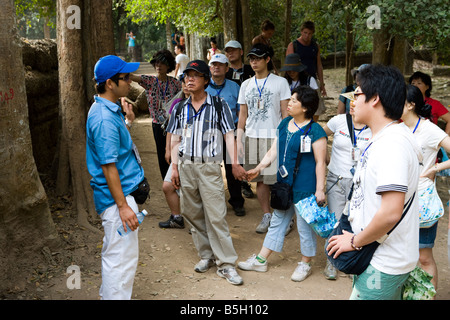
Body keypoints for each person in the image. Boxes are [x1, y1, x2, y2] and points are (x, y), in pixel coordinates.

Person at [326, 64, 422, 300]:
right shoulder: (385, 138)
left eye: (357, 93)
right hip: (377, 254)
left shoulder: (392, 145)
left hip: (384, 261)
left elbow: (390, 212)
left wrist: (355, 241)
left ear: (375, 98)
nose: (353, 101)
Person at [166, 60, 247, 285]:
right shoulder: (180, 108)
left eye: (195, 75)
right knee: (192, 213)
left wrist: (234, 163)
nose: (189, 80)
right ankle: (206, 255)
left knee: (216, 215)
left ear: (205, 80)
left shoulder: (218, 105)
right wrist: (174, 168)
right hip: (185, 166)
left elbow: (229, 136)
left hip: (209, 166)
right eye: (186, 76)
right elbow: (175, 139)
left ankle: (227, 264)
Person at [238, 86, 327, 282]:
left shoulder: (316, 131)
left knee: (304, 227)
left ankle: (305, 263)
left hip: (306, 188)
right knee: (277, 222)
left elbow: (321, 162)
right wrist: (259, 168)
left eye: (294, 101)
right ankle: (261, 260)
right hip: (284, 185)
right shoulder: (285, 123)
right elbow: (273, 150)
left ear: (305, 108)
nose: (289, 103)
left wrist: (320, 190)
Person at [86, 55, 144, 299]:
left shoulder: (110, 109)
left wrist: (128, 122)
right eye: (125, 77)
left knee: (118, 257)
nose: (130, 82)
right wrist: (123, 206)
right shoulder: (104, 117)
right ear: (110, 83)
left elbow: (116, 151)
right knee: (121, 262)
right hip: (116, 200)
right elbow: (109, 166)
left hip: (121, 196)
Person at [237, 43, 291, 233]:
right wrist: (239, 139)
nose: (254, 62)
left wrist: (286, 135)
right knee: (259, 179)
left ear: (268, 59)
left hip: (274, 136)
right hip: (252, 136)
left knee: (277, 180)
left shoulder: (280, 82)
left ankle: (283, 217)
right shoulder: (246, 84)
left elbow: (286, 112)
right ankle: (266, 214)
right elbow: (242, 115)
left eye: (258, 58)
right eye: (251, 58)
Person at [401, 84, 450, 293]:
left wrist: (436, 168)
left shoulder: (429, 129)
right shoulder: (395, 127)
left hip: (422, 200)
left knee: (424, 256)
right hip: (397, 199)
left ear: (411, 105)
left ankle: (428, 296)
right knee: (401, 254)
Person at [322, 93, 372, 279]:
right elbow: (318, 136)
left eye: (356, 100)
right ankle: (332, 262)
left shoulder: (373, 127)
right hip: (336, 179)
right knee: (336, 220)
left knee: (356, 222)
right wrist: (325, 159)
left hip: (360, 182)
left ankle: (352, 260)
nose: (352, 104)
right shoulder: (338, 121)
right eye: (350, 101)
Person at [130, 50, 181, 180]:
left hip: (174, 125)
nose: (159, 66)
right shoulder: (150, 81)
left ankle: (177, 177)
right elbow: (132, 77)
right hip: (158, 126)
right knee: (161, 152)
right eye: (156, 63)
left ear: (169, 66)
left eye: (162, 63)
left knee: (175, 150)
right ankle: (167, 180)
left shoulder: (175, 83)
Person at [205, 54, 246, 216]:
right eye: (213, 64)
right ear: (209, 68)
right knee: (210, 169)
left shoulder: (235, 87)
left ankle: (237, 202)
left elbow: (240, 111)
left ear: (227, 68)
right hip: (209, 132)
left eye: (220, 65)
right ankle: (213, 203)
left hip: (231, 132)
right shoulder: (204, 87)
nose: (217, 67)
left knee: (233, 166)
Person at [224, 40, 256, 199]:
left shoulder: (251, 69)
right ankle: (242, 183)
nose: (230, 53)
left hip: (254, 115)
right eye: (228, 51)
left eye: (234, 50)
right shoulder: (225, 72)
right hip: (235, 118)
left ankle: (250, 178)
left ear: (241, 52)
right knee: (237, 150)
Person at [159, 76, 191, 229]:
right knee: (168, 186)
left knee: (192, 190)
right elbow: (171, 130)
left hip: (195, 155)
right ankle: (176, 217)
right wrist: (168, 150)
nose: (186, 85)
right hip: (178, 151)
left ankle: (197, 224)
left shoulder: (205, 103)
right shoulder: (177, 104)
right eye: (183, 82)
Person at [286, 21, 326, 97]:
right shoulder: (293, 45)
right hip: (298, 82)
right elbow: (289, 65)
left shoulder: (315, 46)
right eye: (305, 33)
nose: (307, 35)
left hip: (312, 81)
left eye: (309, 33)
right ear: (301, 32)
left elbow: (319, 65)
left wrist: (322, 84)